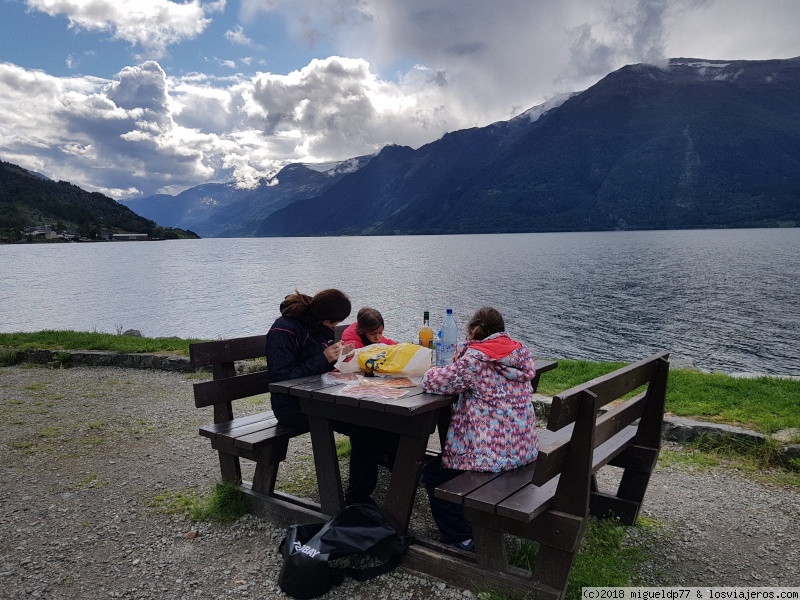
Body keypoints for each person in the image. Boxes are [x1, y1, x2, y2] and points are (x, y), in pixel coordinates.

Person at [420, 306, 539, 552]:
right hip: (524, 451)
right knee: (442, 467)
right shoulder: (520, 354)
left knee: (433, 475)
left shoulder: (475, 361)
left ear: (473, 331)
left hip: (492, 459)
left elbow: (432, 381)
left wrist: (437, 367)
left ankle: (460, 537)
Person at [266, 288, 395, 505]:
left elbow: (324, 364)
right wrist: (323, 357)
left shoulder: (318, 325)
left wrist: (344, 358)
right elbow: (280, 379)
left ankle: (396, 470)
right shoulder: (283, 330)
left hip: (321, 396)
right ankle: (358, 498)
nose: (333, 329)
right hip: (292, 405)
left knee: (377, 418)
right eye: (334, 325)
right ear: (325, 318)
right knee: (364, 425)